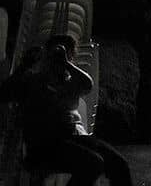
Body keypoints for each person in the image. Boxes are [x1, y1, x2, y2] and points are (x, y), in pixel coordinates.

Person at [0, 35, 133, 186]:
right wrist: (24, 66)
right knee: (93, 163)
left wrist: (66, 64)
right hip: (44, 145)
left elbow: (87, 84)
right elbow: (4, 93)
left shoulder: (71, 81)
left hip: (73, 138)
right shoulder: (32, 81)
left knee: (120, 164)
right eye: (55, 54)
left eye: (66, 54)